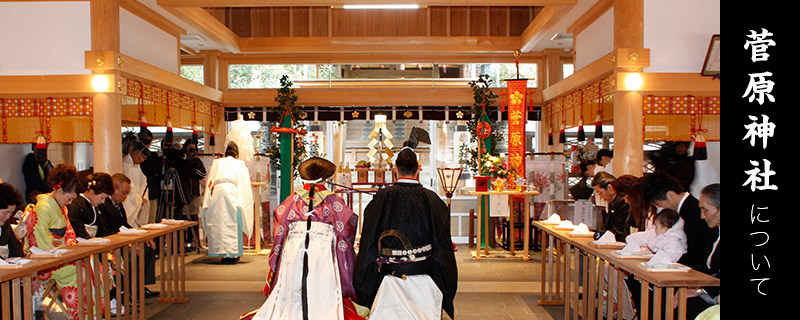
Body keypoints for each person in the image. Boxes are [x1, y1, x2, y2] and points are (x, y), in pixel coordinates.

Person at [242, 157, 362, 320]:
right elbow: (348, 223)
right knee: (321, 283)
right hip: (323, 250)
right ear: (325, 178)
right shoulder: (334, 201)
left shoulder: (292, 200)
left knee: (293, 282)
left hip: (294, 249)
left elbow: (281, 226)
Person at [353, 147, 458, 320]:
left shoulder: (382, 197)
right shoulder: (432, 199)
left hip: (389, 271)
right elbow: (442, 243)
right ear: (418, 169)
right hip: (424, 270)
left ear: (395, 168)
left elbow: (369, 239)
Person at [20, 163, 82, 319]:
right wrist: (63, 253)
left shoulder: (61, 207)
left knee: (94, 265)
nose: (69, 202)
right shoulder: (43, 207)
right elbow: (39, 242)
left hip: (58, 254)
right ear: (60, 190)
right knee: (80, 270)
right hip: (42, 260)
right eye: (69, 198)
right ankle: (80, 313)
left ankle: (89, 312)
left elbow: (69, 232)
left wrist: (71, 247)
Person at [97, 173, 160, 299]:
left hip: (120, 238)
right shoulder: (103, 204)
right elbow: (106, 230)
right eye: (123, 193)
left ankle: (139, 286)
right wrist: (129, 243)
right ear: (113, 189)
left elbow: (125, 224)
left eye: (127, 193)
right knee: (134, 254)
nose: (125, 196)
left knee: (148, 247)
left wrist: (141, 237)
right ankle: (129, 289)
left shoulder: (118, 204)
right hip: (111, 243)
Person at [640, 173, 711, 268]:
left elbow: (695, 252)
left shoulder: (695, 212)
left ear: (670, 195)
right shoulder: (682, 209)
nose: (658, 207)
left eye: (658, 203)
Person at [200, 142, 253, 264]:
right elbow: (244, 184)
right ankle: (233, 254)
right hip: (233, 193)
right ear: (237, 155)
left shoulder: (216, 163)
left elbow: (210, 181)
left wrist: (208, 199)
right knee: (233, 223)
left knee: (218, 224)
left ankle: (221, 253)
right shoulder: (239, 164)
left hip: (217, 195)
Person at [681, 183, 719, 319]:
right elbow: (707, 266)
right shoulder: (715, 232)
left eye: (706, 210)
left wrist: (700, 290)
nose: (702, 216)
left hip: (716, 294)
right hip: (710, 289)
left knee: (686, 303)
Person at [623, 209, 687, 264]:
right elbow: (639, 237)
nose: (654, 229)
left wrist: (655, 259)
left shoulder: (674, 241)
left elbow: (670, 258)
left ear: (664, 229)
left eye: (656, 227)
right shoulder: (655, 233)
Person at [67, 172, 114, 239]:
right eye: (102, 197)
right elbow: (78, 233)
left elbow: (102, 231)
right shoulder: (76, 206)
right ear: (92, 191)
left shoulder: (97, 207)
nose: (103, 202)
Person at [591, 172, 636, 242]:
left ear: (609, 188)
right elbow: (606, 226)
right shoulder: (612, 203)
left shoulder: (622, 202)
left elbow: (619, 230)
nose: (600, 197)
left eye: (599, 192)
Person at [178, 138, 206, 250]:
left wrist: (193, 166)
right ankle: (182, 242)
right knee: (183, 218)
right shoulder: (181, 162)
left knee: (193, 219)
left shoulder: (197, 162)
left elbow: (202, 174)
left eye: (193, 149)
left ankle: (192, 240)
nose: (191, 151)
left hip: (194, 194)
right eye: (189, 148)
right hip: (182, 193)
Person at [122, 133, 151, 228]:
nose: (142, 160)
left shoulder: (137, 167)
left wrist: (143, 198)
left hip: (138, 201)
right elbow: (129, 188)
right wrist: (138, 199)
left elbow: (144, 182)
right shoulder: (125, 165)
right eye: (142, 157)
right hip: (130, 203)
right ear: (135, 153)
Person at [138, 129, 163, 224]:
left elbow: (157, 171)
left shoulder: (153, 156)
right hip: (140, 193)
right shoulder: (133, 159)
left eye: (148, 141)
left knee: (151, 219)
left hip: (152, 190)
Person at [0, 182, 25, 259]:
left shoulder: (6, 226)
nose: (8, 217)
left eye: (10, 213)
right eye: (5, 213)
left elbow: (17, 252)